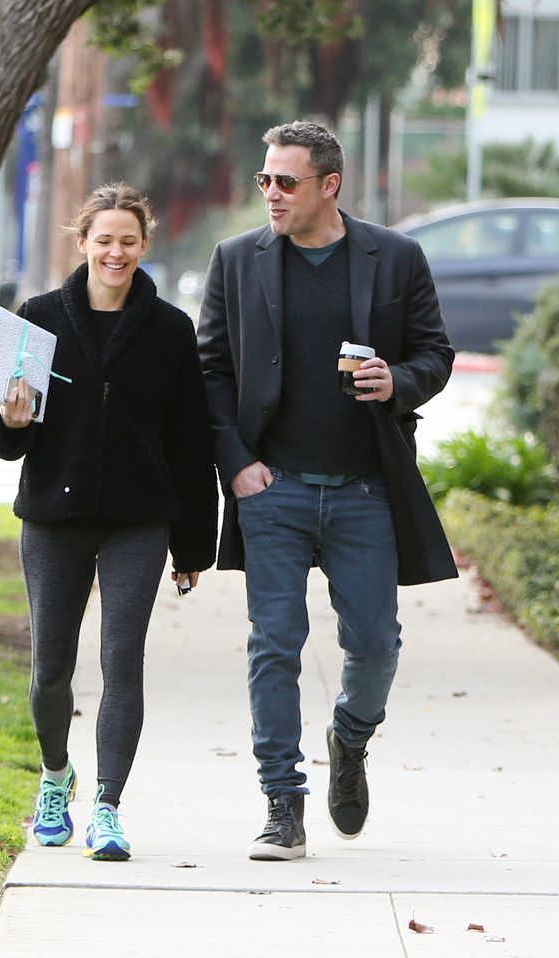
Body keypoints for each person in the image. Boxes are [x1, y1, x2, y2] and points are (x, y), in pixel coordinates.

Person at [196, 121, 457, 861]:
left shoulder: (395, 258)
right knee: (274, 646)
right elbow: (211, 370)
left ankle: (349, 738)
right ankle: (283, 803)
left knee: (375, 643)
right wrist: (236, 464)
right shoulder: (237, 261)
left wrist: (397, 382)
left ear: (329, 186)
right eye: (264, 181)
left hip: (365, 490)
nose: (271, 195)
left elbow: (434, 353)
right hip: (271, 489)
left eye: (287, 182)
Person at [0, 183, 217, 862]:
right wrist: (11, 419)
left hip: (138, 522)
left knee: (122, 662)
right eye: (104, 239)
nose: (116, 252)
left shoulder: (171, 330)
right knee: (51, 667)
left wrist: (194, 544)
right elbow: (1, 438)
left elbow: (190, 444)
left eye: (129, 241)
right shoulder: (39, 318)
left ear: (145, 247)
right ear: (81, 242)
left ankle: (108, 807)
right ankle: (56, 778)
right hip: (55, 517)